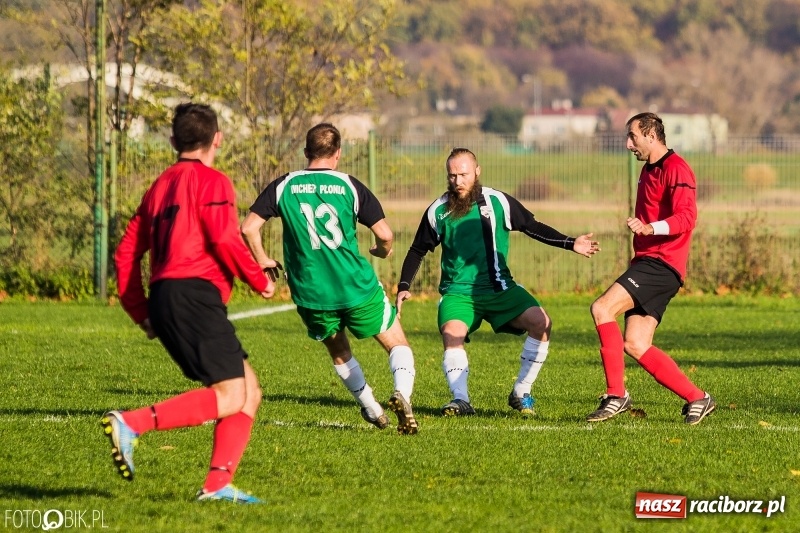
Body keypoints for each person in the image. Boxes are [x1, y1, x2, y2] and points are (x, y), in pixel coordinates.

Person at [108, 102, 275, 504]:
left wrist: (140, 310)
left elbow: (126, 253)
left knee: (249, 389)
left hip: (168, 295)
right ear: (217, 139)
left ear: (173, 141)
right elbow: (223, 237)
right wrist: (259, 279)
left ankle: (217, 486)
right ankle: (130, 423)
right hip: (193, 294)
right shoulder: (214, 181)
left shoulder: (159, 185)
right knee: (232, 394)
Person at [241, 123, 418, 435]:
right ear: (338, 154)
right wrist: (380, 250)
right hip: (354, 285)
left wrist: (263, 260)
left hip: (311, 291)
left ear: (306, 152)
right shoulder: (350, 185)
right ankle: (402, 393)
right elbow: (386, 235)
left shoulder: (284, 185)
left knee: (339, 351)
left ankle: (372, 408)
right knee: (397, 343)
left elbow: (248, 228)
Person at [396, 147, 600, 417]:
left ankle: (521, 391)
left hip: (500, 289)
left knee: (542, 322)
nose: (458, 181)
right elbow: (417, 250)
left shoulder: (498, 202)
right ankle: (461, 400)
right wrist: (404, 286)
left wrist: (570, 242)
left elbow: (532, 226)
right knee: (452, 335)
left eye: (464, 174)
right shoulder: (438, 210)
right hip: (459, 294)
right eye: (452, 175)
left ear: (477, 171)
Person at [586, 112, 715, 425]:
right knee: (636, 344)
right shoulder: (647, 170)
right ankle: (698, 398)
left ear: (651, 135)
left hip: (661, 263)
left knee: (602, 309)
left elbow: (687, 218)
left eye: (633, 136)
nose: (628, 143)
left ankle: (616, 394)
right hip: (648, 262)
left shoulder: (677, 168)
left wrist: (649, 229)